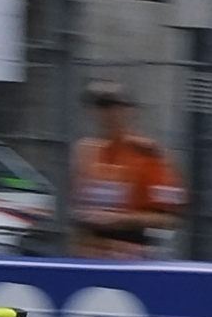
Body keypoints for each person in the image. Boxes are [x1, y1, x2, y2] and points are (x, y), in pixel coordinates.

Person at [72, 88, 184, 257]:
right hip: (88, 251)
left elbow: (169, 218)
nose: (108, 114)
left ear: (130, 112)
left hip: (129, 252)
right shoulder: (86, 152)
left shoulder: (147, 154)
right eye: (102, 108)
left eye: (114, 107)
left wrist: (118, 219)